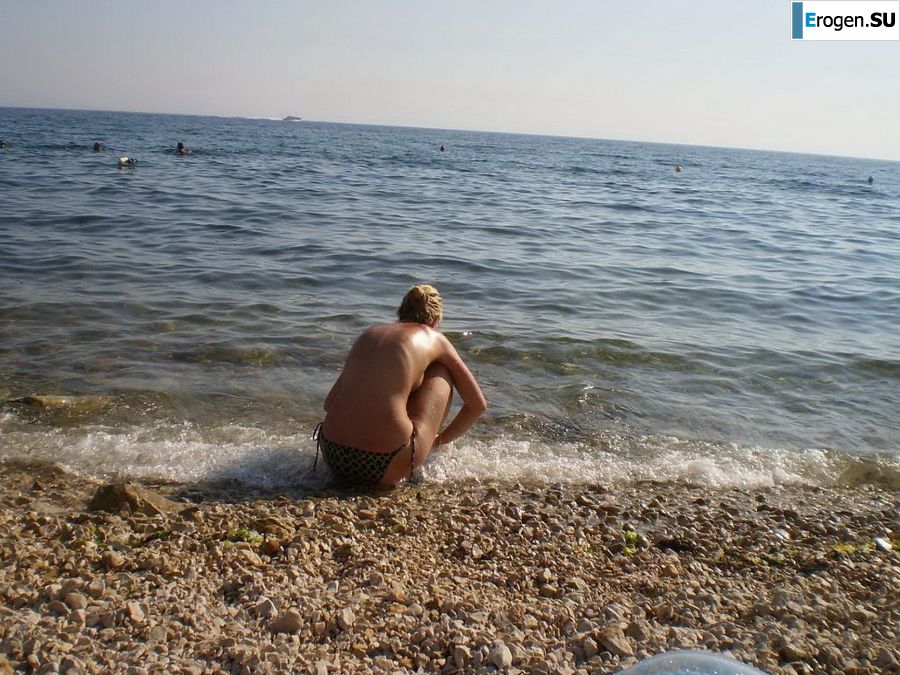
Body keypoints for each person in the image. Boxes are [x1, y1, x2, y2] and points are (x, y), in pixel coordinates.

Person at [316, 284, 486, 487]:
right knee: (442, 369)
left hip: (332, 457)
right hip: (385, 464)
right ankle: (426, 449)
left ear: (400, 311)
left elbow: (329, 404)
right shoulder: (435, 338)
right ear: (436, 320)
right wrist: (437, 441)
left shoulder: (369, 334)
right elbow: (477, 405)